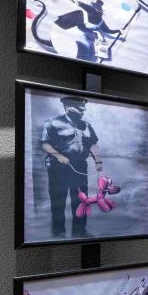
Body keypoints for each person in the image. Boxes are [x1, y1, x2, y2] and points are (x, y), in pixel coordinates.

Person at [41, 96, 102, 238]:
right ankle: (58, 232)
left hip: (79, 166)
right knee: (58, 200)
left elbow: (92, 144)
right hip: (58, 167)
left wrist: (98, 161)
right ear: (68, 107)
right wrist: (58, 156)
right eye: (79, 109)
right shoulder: (52, 123)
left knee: (81, 200)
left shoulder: (86, 125)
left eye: (83, 109)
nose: (82, 112)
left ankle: (79, 231)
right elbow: (45, 144)